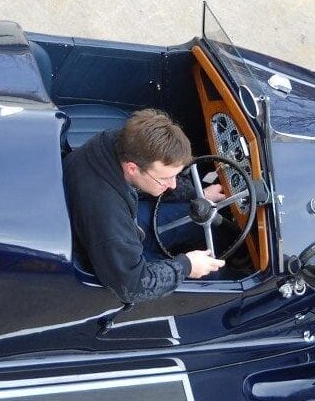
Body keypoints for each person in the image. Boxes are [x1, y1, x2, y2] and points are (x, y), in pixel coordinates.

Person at [63, 109, 225, 303]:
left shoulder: (116, 141)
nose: (173, 184)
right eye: (166, 178)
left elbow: (156, 180)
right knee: (215, 278)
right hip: (113, 257)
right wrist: (187, 265)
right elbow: (134, 285)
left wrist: (198, 193)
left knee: (197, 220)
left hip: (126, 221)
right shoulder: (108, 216)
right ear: (132, 168)